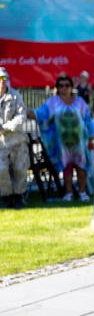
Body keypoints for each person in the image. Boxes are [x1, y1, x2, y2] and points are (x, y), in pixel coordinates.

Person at [29, 75, 94, 201]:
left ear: (71, 87)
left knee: (81, 168)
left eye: (67, 85)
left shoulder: (80, 102)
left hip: (80, 142)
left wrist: (91, 138)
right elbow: (40, 114)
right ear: (57, 88)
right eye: (61, 86)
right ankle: (68, 194)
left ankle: (83, 193)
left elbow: (87, 120)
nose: (64, 88)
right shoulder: (52, 102)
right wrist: (23, 112)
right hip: (62, 144)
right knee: (67, 168)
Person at [0, 67, 30, 209]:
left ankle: (18, 197)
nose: (2, 81)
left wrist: (5, 127)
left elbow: (22, 117)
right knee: (1, 170)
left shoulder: (15, 96)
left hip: (16, 140)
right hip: (1, 143)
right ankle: (6, 197)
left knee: (20, 169)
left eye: (4, 78)